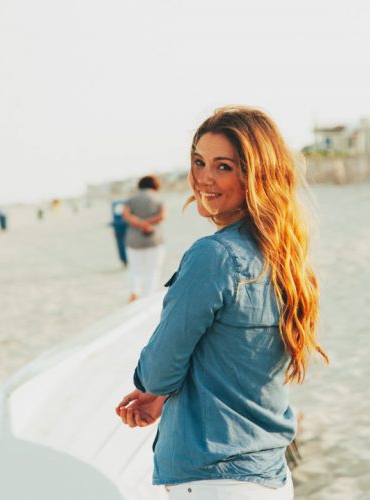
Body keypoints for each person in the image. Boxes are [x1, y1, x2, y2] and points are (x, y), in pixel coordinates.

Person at [116, 106, 328, 499]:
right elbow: (239, 364)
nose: (204, 178)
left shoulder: (213, 256)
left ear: (256, 174)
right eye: (199, 162)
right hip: (270, 476)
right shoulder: (283, 256)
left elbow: (159, 369)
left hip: (215, 480)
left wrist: (154, 387)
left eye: (224, 166)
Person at [122, 174, 166, 302]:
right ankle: (149, 296)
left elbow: (126, 215)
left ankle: (134, 292)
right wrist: (148, 223)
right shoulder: (158, 198)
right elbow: (163, 215)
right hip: (154, 239)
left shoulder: (131, 199)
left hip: (134, 240)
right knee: (153, 270)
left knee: (134, 269)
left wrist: (140, 223)